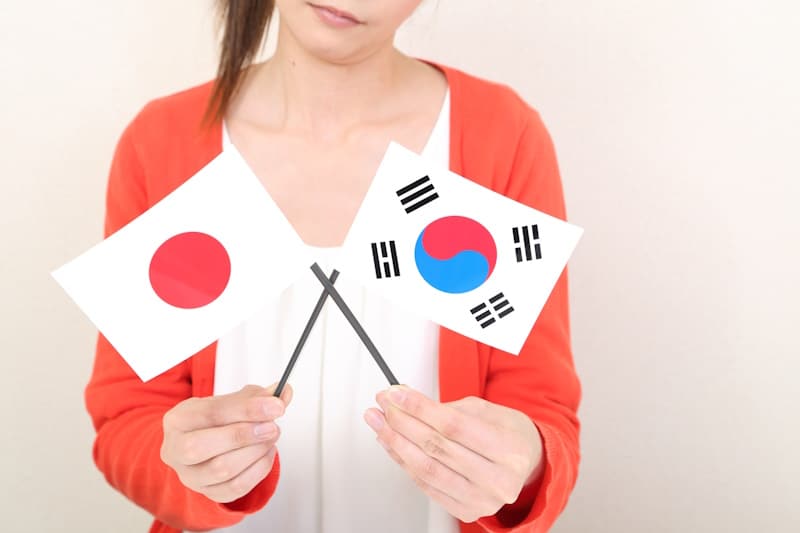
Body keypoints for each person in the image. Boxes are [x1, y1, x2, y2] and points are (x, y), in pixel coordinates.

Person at [85, 1, 581, 532]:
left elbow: (542, 413)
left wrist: (522, 463)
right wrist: (181, 463)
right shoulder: (162, 142)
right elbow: (127, 421)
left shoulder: (501, 135)